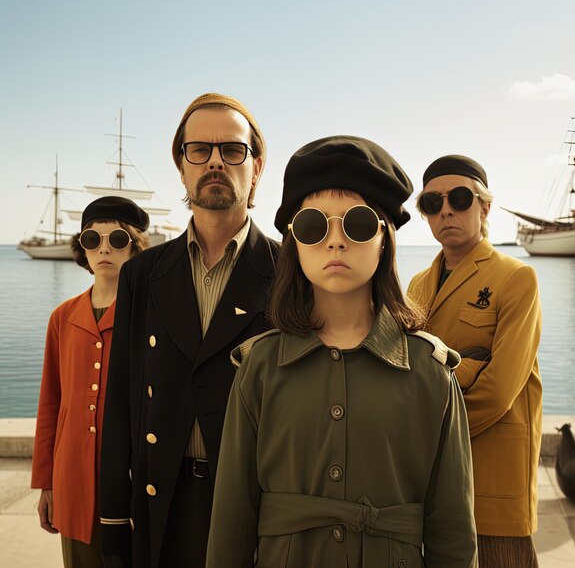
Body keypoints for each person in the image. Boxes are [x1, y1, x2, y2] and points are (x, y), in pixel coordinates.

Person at [206, 136, 477, 568]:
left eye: (358, 224)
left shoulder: (431, 373)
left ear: (385, 239)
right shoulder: (258, 368)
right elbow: (231, 522)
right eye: (314, 226)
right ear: (294, 242)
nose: (335, 241)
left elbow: (454, 532)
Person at [99, 94, 279, 568]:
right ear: (181, 166)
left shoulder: (289, 272)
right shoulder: (142, 274)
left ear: (256, 167)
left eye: (233, 150)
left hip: (256, 504)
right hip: (163, 500)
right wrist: (114, 518)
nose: (215, 161)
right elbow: (120, 398)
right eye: (199, 150)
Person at [407, 155, 542, 568]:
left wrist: (428, 437)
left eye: (460, 198)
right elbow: (408, 374)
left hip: (492, 476)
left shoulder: (515, 278)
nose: (446, 210)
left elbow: (500, 390)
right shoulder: (416, 285)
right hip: (429, 482)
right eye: (432, 203)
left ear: (484, 207)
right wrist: (467, 365)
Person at [31, 196, 150, 568]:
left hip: (133, 479)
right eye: (91, 240)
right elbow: (51, 402)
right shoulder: (62, 318)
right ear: (81, 248)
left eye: (116, 239)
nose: (103, 249)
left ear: (134, 247)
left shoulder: (150, 318)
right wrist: (46, 483)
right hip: (71, 478)